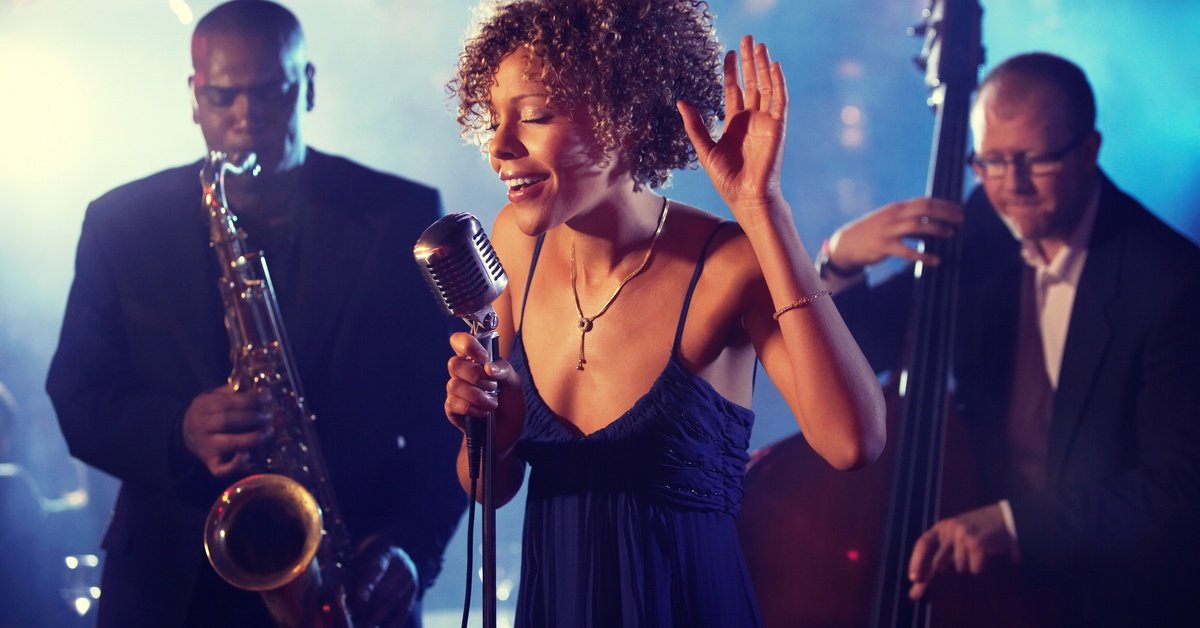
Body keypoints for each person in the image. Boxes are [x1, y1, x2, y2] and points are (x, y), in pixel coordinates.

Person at [443, 1, 887, 625]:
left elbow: (853, 442)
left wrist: (764, 212)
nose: (499, 146)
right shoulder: (514, 246)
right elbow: (488, 489)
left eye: (535, 115)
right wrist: (494, 432)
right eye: (493, 118)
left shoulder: (728, 264)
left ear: (623, 118)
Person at [45, 1, 466, 626]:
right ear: (194, 97)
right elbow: (76, 395)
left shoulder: (400, 214)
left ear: (310, 86)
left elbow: (449, 416)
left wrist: (408, 547)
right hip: (170, 586)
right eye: (223, 97)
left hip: (348, 576)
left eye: (271, 92)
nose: (247, 118)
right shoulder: (120, 224)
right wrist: (178, 428)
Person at [819, 52, 1200, 626]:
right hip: (985, 590)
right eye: (992, 162)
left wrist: (1015, 523)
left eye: (1035, 161)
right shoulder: (982, 223)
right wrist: (839, 260)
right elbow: (864, 350)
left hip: (1119, 595)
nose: (1012, 186)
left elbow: (1177, 492)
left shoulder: (1171, 282)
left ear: (1090, 149)